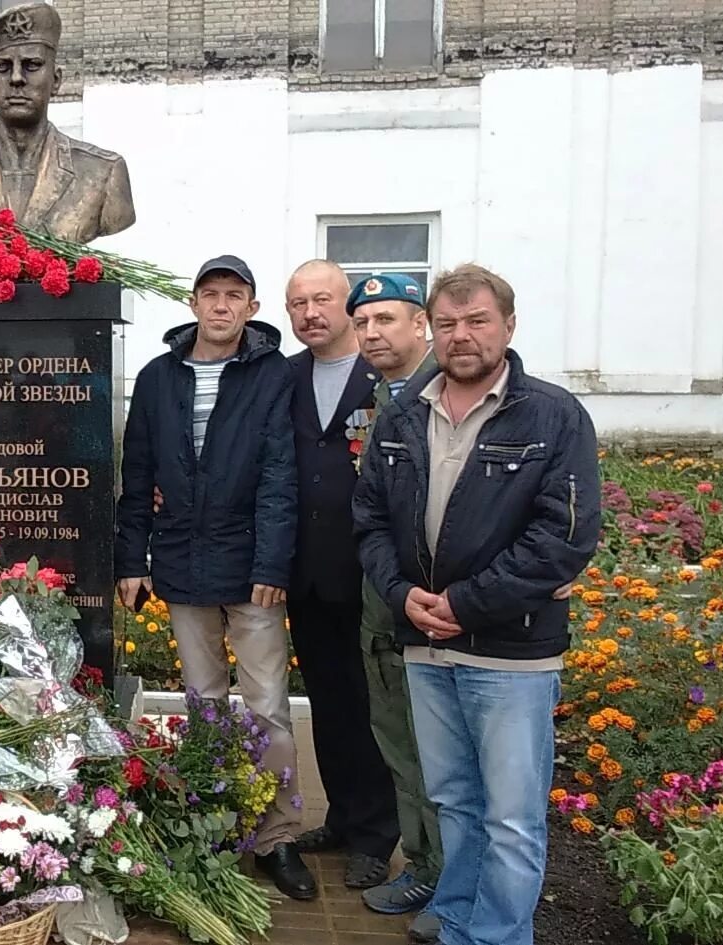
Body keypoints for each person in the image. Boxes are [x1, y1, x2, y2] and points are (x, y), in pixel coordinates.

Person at [353, 264, 602, 945]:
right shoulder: (403, 414)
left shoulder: (553, 415)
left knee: (512, 818)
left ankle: (494, 935)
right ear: (434, 329)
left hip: (510, 652)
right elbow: (369, 520)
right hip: (427, 646)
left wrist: (465, 603)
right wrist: (404, 596)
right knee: (454, 801)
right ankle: (457, 918)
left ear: (509, 325)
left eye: (478, 321)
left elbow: (566, 536)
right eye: (449, 323)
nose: (462, 336)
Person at [114, 255, 315, 900]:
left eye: (236, 296)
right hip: (181, 561)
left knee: (265, 706)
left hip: (250, 565)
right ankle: (215, 822)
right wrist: (130, 560)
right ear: (194, 303)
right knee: (203, 701)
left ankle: (277, 834)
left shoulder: (273, 377)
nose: (222, 306)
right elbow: (136, 475)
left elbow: (282, 476)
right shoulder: (158, 377)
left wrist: (271, 565)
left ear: (252, 308)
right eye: (211, 294)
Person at [282, 261, 402, 891]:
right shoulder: (288, 374)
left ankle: (377, 838)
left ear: (346, 303)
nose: (310, 313)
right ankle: (343, 817)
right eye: (297, 303)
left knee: (371, 706)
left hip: (369, 574)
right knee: (328, 703)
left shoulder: (384, 374)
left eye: (322, 299)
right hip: (306, 572)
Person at [344, 274, 444, 924]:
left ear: (422, 324)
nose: (373, 332)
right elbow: (374, 513)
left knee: (440, 755)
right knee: (402, 743)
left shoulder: (445, 393)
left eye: (387, 318)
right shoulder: (386, 396)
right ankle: (430, 870)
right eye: (364, 322)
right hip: (387, 607)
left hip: (436, 614)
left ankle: (449, 882)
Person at [0, 1, 134, 243]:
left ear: (56, 80)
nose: (17, 78)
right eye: (2, 67)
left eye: (32, 65)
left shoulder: (103, 172)